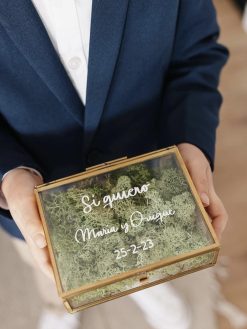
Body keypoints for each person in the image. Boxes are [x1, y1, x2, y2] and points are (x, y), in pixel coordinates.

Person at [0, 1, 229, 328]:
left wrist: (191, 138)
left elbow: (196, 54)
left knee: (145, 259)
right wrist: (8, 173)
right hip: (33, 202)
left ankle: (149, 288)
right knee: (50, 274)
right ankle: (58, 306)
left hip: (147, 181)